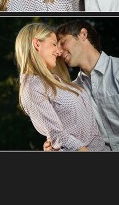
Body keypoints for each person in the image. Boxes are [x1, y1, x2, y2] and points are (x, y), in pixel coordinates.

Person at [14, 23, 108, 151]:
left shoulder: (54, 81)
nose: (58, 52)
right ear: (37, 44)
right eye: (54, 44)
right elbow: (57, 135)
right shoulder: (32, 86)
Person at [48, 20, 119, 151]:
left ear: (83, 34)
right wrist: (56, 146)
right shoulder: (71, 92)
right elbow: (70, 135)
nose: (59, 51)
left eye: (62, 42)